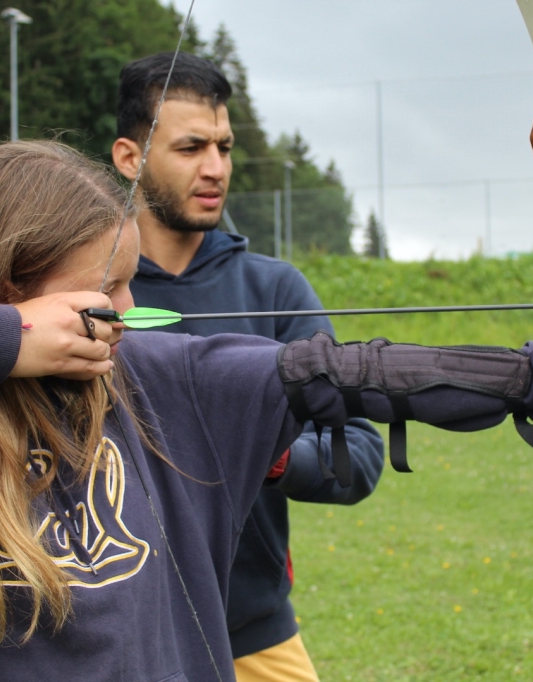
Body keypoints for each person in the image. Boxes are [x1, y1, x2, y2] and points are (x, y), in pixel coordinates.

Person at [0, 140, 533, 681]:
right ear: (12, 289)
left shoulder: (157, 380)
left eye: (129, 282)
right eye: (102, 290)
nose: (126, 310)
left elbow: (349, 372)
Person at [111, 52, 385, 679]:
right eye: (190, 148)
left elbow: (360, 455)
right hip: (115, 631)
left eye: (225, 147)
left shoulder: (276, 291)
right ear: (130, 157)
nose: (215, 169)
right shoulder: (85, 289)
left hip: (251, 630)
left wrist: (267, 450)